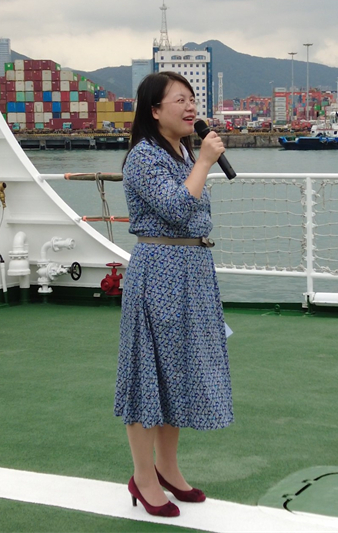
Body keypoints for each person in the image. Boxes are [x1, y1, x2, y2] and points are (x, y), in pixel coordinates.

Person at [113, 71, 234, 518]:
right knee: (148, 373)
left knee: (177, 372)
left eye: (192, 98)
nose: (190, 107)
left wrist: (197, 161)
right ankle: (143, 476)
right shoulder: (143, 157)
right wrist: (205, 163)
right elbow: (178, 209)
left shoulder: (181, 151)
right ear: (154, 110)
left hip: (192, 270)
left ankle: (167, 468)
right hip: (160, 270)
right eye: (179, 100)